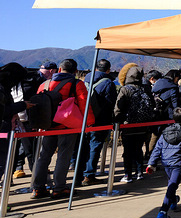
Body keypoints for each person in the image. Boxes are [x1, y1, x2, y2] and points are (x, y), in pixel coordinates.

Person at [30, 59, 89, 199]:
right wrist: (88, 124)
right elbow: (84, 105)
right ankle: (59, 188)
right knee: (63, 156)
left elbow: (37, 105)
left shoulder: (45, 84)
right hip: (68, 125)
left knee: (44, 156)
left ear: (60, 70)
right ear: (75, 72)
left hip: (47, 126)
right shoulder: (76, 84)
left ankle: (37, 188)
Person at [146, 106, 181, 218]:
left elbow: (157, 148)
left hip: (166, 161)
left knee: (172, 183)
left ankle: (173, 201)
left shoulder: (165, 132)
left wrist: (152, 163)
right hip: (178, 162)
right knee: (172, 185)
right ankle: (163, 210)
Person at [76, 58, 116, 186]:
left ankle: (80, 174)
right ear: (108, 70)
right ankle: (89, 175)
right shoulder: (108, 83)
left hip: (85, 119)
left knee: (84, 147)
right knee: (95, 146)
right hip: (101, 120)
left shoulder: (85, 80)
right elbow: (111, 103)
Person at [114, 63, 154, 183]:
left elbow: (118, 108)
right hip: (143, 125)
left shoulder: (125, 89)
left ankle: (127, 174)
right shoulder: (146, 88)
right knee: (138, 149)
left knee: (128, 151)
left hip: (129, 125)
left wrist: (117, 122)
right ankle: (139, 172)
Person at [0, 63, 33, 184]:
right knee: (1, 161)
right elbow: (4, 110)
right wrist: (22, 105)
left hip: (5, 127)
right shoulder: (2, 89)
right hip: (3, 129)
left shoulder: (4, 87)